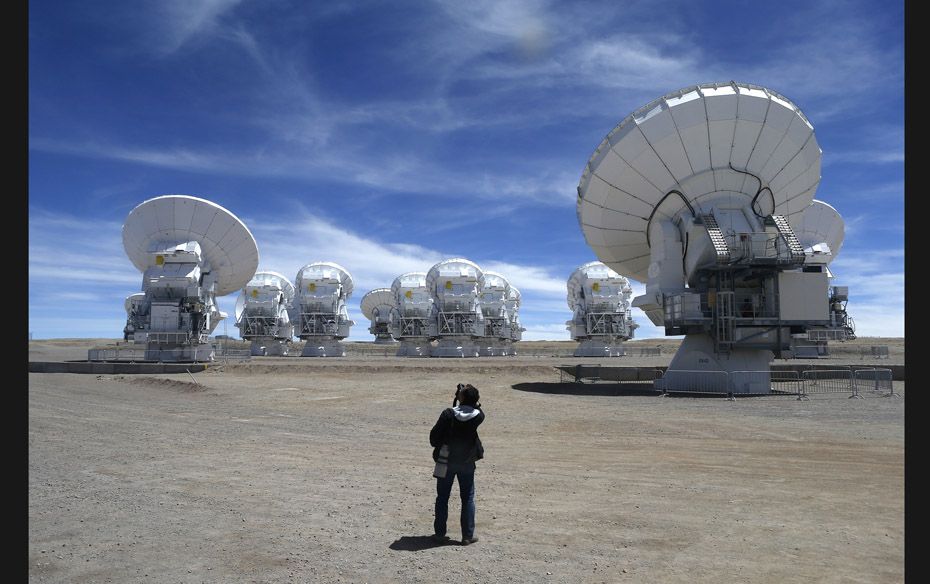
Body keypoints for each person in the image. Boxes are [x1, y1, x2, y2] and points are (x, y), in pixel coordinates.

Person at [430, 383, 484, 545]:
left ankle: (440, 534)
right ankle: (467, 535)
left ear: (462, 398)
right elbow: (476, 409)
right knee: (467, 497)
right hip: (467, 461)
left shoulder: (447, 414)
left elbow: (433, 437)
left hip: (445, 461)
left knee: (442, 497)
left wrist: (458, 397)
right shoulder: (479, 416)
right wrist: (464, 396)